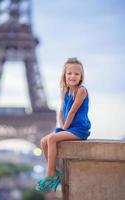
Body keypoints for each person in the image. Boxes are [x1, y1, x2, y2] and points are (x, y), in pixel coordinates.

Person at [34, 57, 91, 192]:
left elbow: (71, 112)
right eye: (69, 73)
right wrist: (61, 125)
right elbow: (61, 111)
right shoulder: (65, 90)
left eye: (76, 74)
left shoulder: (81, 90)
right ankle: (55, 171)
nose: (72, 76)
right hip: (68, 127)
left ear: (81, 76)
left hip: (79, 129)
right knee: (43, 141)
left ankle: (50, 176)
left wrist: (63, 128)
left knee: (52, 139)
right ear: (64, 75)